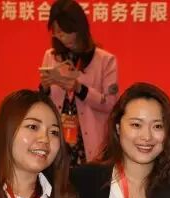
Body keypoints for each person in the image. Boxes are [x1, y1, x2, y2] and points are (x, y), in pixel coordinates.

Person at [39, 0, 118, 166]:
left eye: (66, 31)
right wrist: (44, 87)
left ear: (79, 28)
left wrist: (79, 89)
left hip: (90, 145)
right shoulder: (51, 56)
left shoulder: (105, 60)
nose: (62, 37)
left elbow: (111, 104)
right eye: (57, 32)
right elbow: (42, 103)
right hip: (58, 140)